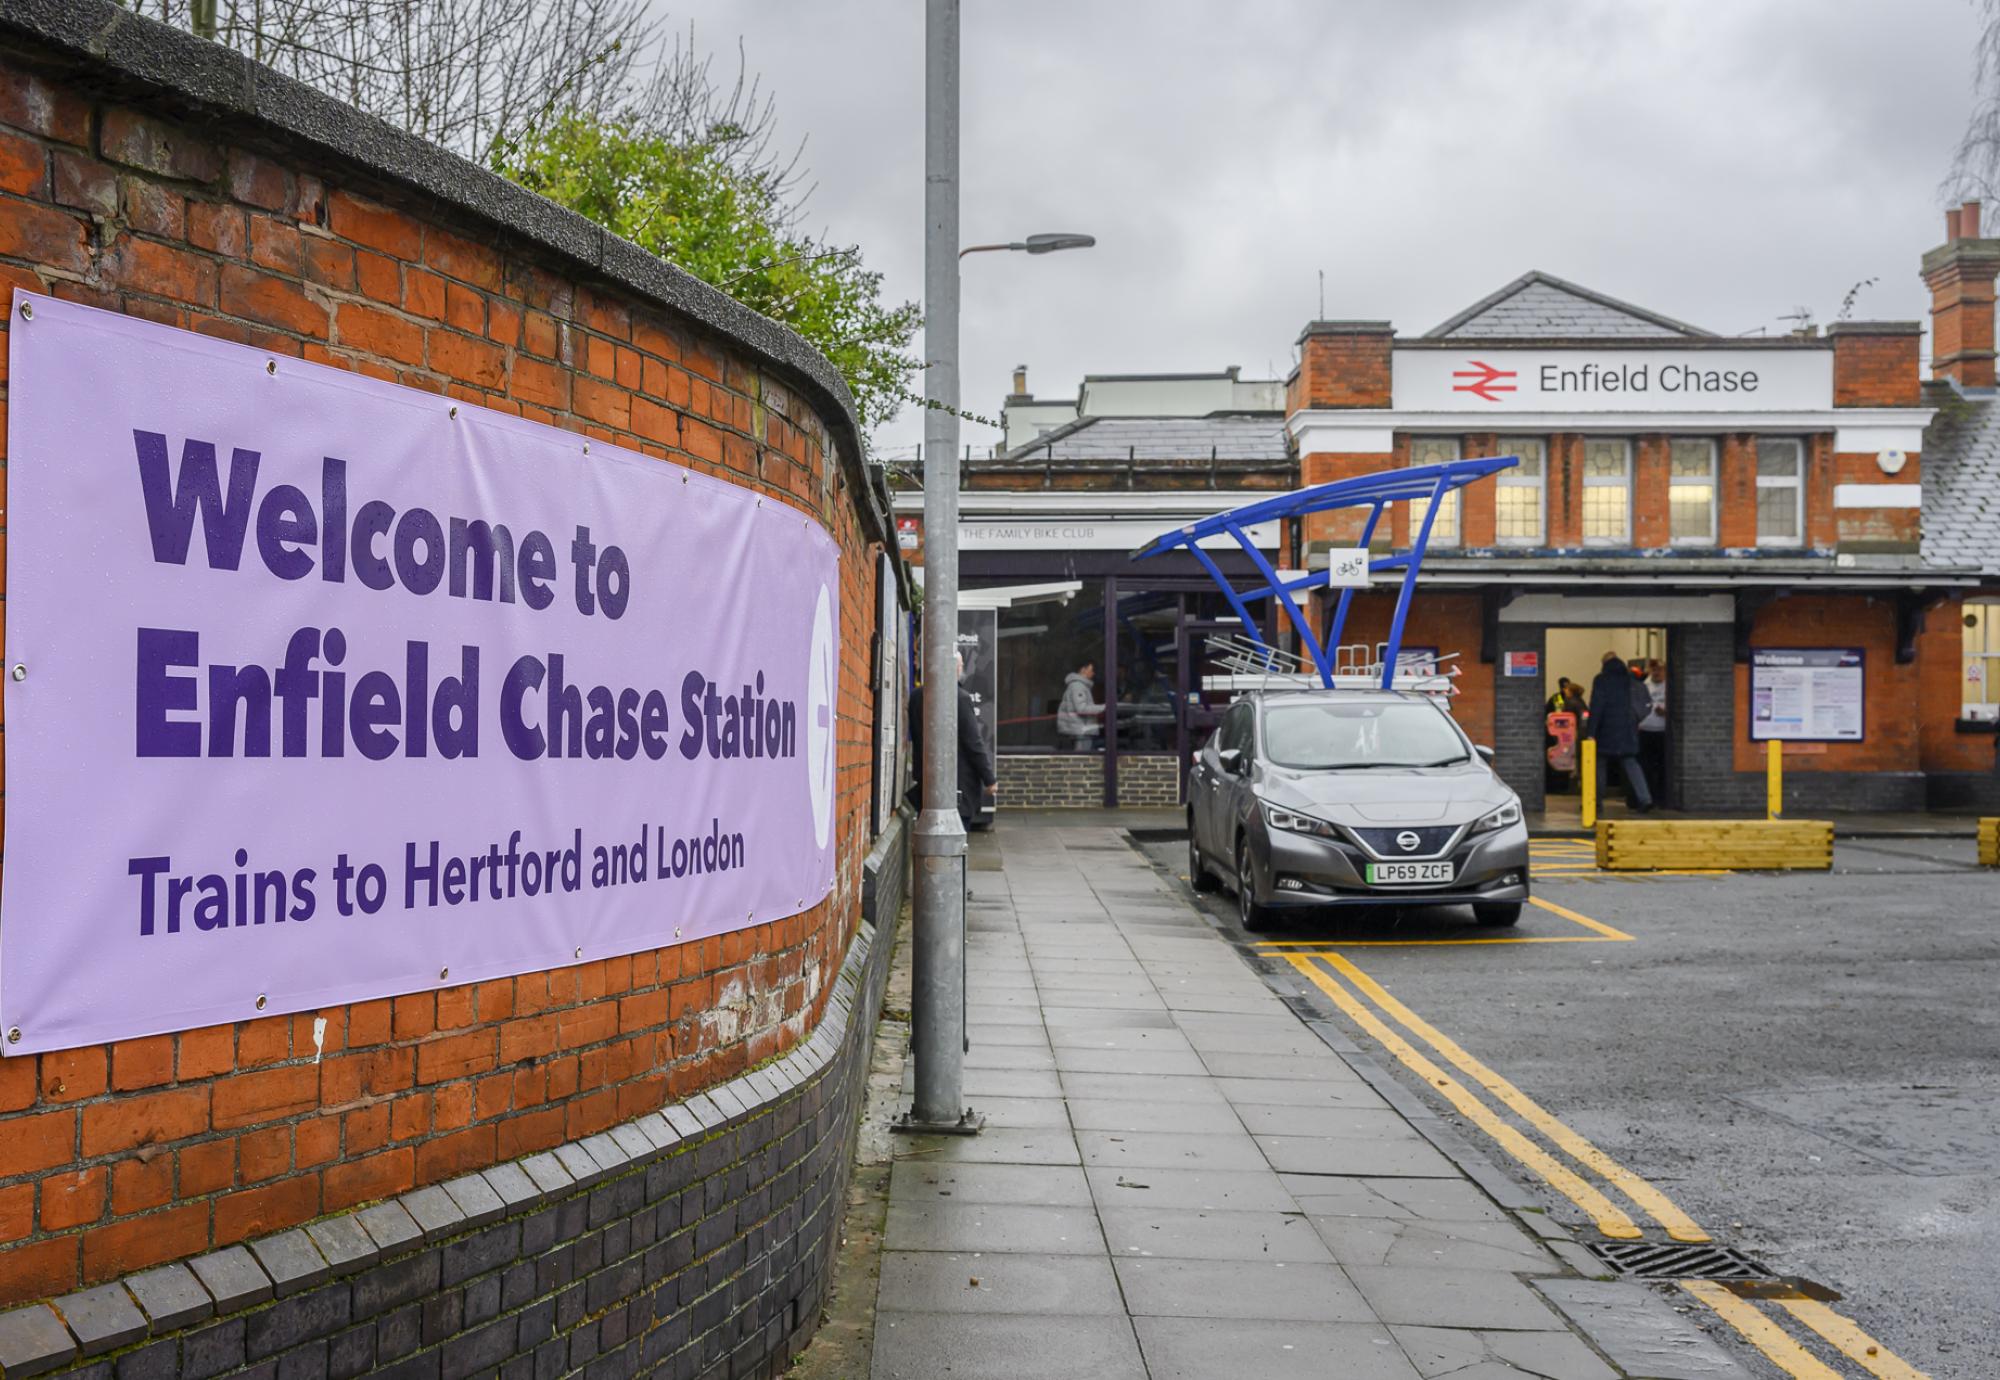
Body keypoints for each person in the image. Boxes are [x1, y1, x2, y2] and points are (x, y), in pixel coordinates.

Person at [909, 651, 998, 827]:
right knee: (956, 842)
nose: (962, 669)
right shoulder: (960, 698)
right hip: (957, 786)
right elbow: (973, 742)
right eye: (961, 665)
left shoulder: (917, 696)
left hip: (926, 785)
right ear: (954, 669)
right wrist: (989, 779)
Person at [1586, 651, 1654, 812]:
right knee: (1631, 762)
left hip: (1605, 730)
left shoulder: (1601, 680)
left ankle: (1596, 802)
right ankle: (1645, 799)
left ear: (1604, 664)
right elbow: (1643, 704)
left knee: (1599, 764)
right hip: (1627, 729)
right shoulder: (1631, 680)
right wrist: (1635, 720)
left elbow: (1597, 706)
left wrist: (1591, 732)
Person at [1055, 660, 1105, 753]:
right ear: (1083, 669)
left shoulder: (1081, 686)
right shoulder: (1078, 686)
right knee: (1081, 760)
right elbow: (1081, 709)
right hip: (1081, 731)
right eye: (1091, 670)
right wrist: (1105, 707)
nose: (1093, 673)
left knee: (1080, 759)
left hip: (1080, 729)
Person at [1637, 658, 1668, 800]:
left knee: (1662, 766)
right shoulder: (1644, 686)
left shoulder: (1670, 686)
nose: (1657, 673)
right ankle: (1647, 796)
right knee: (1646, 767)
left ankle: (1661, 797)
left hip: (1662, 731)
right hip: (1645, 730)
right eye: (1654, 669)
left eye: (1660, 670)